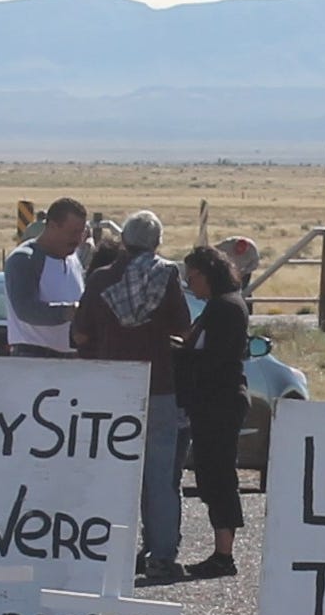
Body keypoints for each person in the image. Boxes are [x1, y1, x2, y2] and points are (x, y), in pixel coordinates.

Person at [72, 210, 192, 582]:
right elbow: (183, 327)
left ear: (124, 240)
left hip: (111, 387)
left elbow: (79, 335)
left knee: (109, 474)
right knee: (160, 478)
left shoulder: (101, 279)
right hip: (157, 385)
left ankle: (105, 550)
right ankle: (161, 556)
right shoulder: (165, 275)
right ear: (156, 243)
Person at [174, 245, 249, 578]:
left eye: (192, 278)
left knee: (218, 476)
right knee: (211, 474)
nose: (191, 286)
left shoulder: (225, 308)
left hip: (219, 401)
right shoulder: (221, 306)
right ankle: (222, 550)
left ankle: (224, 553)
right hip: (214, 401)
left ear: (206, 274)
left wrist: (177, 353)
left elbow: (214, 357)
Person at [2, 198, 89, 357]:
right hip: (34, 358)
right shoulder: (25, 259)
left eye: (81, 232)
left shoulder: (73, 259)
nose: (78, 239)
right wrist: (69, 312)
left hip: (72, 359)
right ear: (53, 226)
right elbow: (26, 310)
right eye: (73, 232)